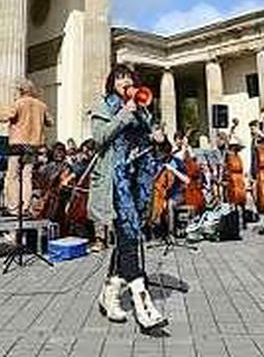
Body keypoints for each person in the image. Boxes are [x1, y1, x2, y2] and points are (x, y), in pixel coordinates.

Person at [91, 64, 168, 330]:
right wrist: (124, 114)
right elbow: (99, 138)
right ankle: (142, 302)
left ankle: (109, 295)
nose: (125, 81)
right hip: (117, 180)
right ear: (111, 82)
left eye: (129, 78)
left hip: (140, 181)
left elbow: (155, 139)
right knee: (129, 232)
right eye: (120, 77)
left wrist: (158, 135)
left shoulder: (143, 109)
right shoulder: (104, 107)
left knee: (129, 235)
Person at [0, 79, 52, 217]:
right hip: (34, 144)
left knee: (12, 175)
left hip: (17, 143)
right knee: (27, 175)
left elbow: (6, 116)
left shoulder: (19, 103)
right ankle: (25, 206)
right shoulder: (41, 105)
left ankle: (14, 207)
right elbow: (50, 122)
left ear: (21, 90)